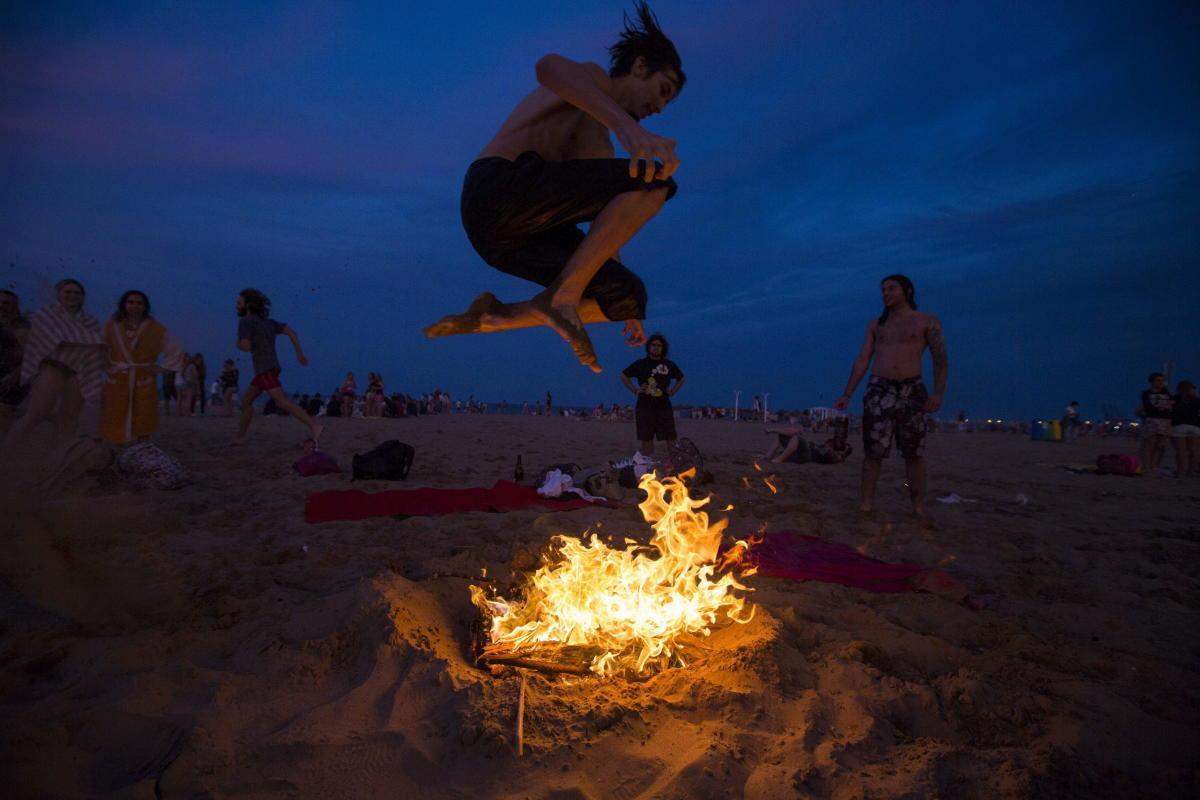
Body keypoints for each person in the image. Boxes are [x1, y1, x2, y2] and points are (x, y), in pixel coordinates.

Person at [424, 2, 684, 372]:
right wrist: (630, 130)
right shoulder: (592, 81)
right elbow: (547, 67)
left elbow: (606, 231)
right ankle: (562, 297)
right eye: (662, 89)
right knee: (655, 179)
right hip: (497, 189)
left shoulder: (599, 146)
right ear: (640, 66)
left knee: (629, 295)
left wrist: (621, 304)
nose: (660, 106)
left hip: (507, 242)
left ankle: (498, 317)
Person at [835, 275, 948, 521]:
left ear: (907, 290)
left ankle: (918, 507)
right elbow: (863, 359)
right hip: (880, 388)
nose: (885, 293)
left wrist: (938, 392)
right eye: (883, 289)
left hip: (911, 388)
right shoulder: (877, 325)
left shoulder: (926, 321)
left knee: (914, 452)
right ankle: (866, 505)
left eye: (891, 288)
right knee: (873, 451)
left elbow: (940, 358)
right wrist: (847, 393)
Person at [2, 279, 105, 447]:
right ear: (59, 294)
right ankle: (6, 452)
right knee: (36, 413)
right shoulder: (45, 315)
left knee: (70, 417)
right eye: (68, 292)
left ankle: (60, 458)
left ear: (83, 297)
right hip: (52, 366)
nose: (72, 296)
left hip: (78, 371)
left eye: (77, 293)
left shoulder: (90, 322)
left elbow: (95, 349)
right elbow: (38, 344)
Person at [233, 288, 323, 445]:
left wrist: (239, 343)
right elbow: (292, 332)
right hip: (272, 367)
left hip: (264, 369)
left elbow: (246, 346)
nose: (236, 305)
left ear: (247, 305)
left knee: (282, 402)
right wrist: (299, 355)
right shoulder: (269, 323)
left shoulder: (246, 321)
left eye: (239, 302)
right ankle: (241, 438)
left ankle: (314, 425)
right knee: (246, 401)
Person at [98, 289, 185, 444]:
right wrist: (107, 366)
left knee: (144, 416)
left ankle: (142, 452)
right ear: (124, 304)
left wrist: (161, 368)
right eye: (130, 302)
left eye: (139, 303)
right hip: (118, 378)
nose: (135, 306)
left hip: (143, 378)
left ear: (145, 306)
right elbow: (100, 348)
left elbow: (175, 351)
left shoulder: (156, 328)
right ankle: (116, 452)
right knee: (116, 414)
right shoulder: (111, 325)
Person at [620, 332, 684, 455]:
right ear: (648, 347)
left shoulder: (669, 365)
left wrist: (673, 391)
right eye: (653, 345)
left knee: (670, 437)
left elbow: (681, 378)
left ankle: (676, 464)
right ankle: (648, 466)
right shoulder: (641, 364)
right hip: (644, 406)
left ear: (663, 348)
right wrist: (635, 390)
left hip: (664, 406)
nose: (656, 347)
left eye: (659, 345)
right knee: (646, 437)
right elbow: (624, 375)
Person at [0, 290, 31, 423]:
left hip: (9, 382)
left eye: (6, 303)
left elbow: (31, 357)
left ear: (15, 307)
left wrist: (14, 375)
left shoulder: (21, 328)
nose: (1, 306)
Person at [1138, 372, 1173, 473]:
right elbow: (1147, 406)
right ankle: (1147, 467)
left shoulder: (1166, 393)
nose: (1160, 383)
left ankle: (1154, 466)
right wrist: (1160, 408)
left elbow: (1171, 404)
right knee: (1150, 444)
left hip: (1165, 420)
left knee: (1160, 445)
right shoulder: (1147, 393)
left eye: (1162, 381)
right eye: (1158, 380)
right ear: (1151, 382)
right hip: (1153, 419)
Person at [763, 427, 851, 465]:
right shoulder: (827, 446)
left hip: (807, 455)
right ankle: (768, 456)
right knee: (781, 435)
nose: (840, 445)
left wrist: (841, 453)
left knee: (797, 437)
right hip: (801, 452)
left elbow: (838, 458)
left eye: (843, 447)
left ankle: (780, 459)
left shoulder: (836, 456)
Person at [1169, 380, 1199, 477]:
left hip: (1179, 426)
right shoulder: (1196, 400)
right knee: (1193, 451)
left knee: (1180, 451)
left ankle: (1180, 471)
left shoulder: (1175, 399)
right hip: (1195, 426)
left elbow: (1169, 411)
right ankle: (1191, 471)